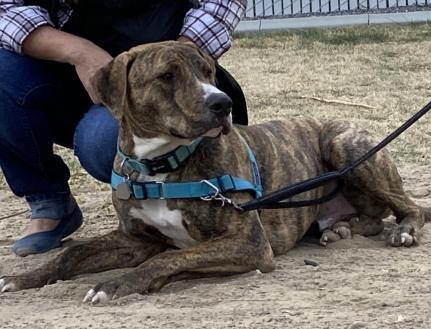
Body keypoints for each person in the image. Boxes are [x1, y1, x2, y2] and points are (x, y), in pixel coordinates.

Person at [0, 0, 248, 256]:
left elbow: (223, 3)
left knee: (105, 144)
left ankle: (177, 208)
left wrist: (176, 58)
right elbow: (7, 8)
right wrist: (80, 52)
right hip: (65, 71)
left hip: (159, 83)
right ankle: (49, 201)